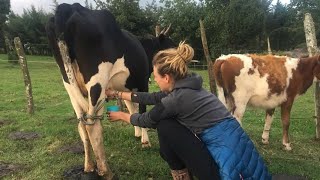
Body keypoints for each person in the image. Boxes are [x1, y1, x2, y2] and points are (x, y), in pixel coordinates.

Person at [106, 42, 271, 180]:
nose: (153, 78)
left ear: (167, 78)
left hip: (225, 172)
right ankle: (182, 171)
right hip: (234, 151)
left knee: (164, 124)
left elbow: (146, 120)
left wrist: (121, 115)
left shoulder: (176, 100)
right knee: (167, 122)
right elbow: (153, 97)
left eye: (155, 75)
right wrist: (118, 94)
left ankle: (181, 174)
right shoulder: (190, 87)